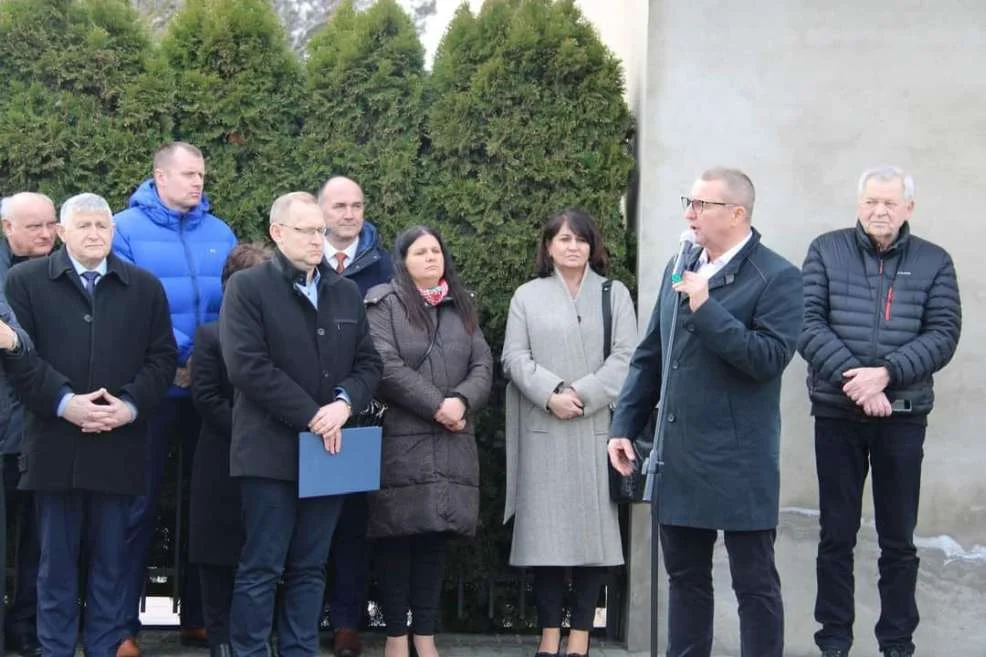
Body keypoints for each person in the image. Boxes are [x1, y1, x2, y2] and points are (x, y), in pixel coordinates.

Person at [608, 168, 803, 657]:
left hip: (741, 461)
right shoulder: (681, 263)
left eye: (701, 205)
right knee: (686, 580)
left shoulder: (778, 277)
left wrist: (707, 306)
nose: (689, 214)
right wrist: (623, 425)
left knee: (754, 584)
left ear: (737, 214)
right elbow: (651, 353)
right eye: (688, 202)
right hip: (681, 454)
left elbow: (768, 359)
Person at [2, 193, 176, 657]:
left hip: (119, 443)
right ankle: (54, 649)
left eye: (103, 225)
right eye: (84, 226)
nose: (95, 233)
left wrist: (130, 406)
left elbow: (162, 360)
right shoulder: (24, 281)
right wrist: (64, 402)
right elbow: (20, 359)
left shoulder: (143, 287)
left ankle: (104, 646)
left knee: (111, 563)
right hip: (54, 442)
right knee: (54, 563)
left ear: (113, 232)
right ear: (63, 232)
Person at [798, 166, 961, 657]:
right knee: (836, 537)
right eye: (871, 201)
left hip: (903, 416)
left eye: (890, 202)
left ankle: (896, 643)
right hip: (837, 415)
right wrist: (858, 381)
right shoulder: (825, 250)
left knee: (898, 541)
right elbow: (806, 324)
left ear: (908, 207)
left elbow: (943, 334)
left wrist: (885, 374)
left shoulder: (935, 262)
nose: (879, 211)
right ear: (858, 203)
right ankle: (834, 642)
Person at [220, 192, 382, 657]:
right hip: (269, 451)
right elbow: (247, 366)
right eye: (308, 231)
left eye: (321, 231)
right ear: (277, 233)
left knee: (312, 566)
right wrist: (313, 413)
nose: (318, 240)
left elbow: (369, 363)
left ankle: (300, 650)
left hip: (329, 450)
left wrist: (344, 404)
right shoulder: (248, 288)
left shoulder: (344, 290)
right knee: (262, 566)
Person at [113, 141, 237, 651]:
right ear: (159, 176)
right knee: (136, 506)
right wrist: (180, 358)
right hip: (152, 389)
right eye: (188, 174)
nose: (198, 183)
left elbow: (235, 307)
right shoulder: (123, 230)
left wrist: (201, 365)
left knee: (207, 504)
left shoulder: (220, 231)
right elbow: (127, 308)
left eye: (202, 175)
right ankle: (120, 628)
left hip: (209, 390)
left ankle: (200, 617)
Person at [502, 209, 636, 657]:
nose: (572, 246)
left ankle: (580, 634)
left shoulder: (613, 293)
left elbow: (626, 357)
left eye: (580, 239)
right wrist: (551, 393)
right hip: (544, 424)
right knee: (547, 540)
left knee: (593, 539)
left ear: (592, 245)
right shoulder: (527, 296)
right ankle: (548, 634)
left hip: (596, 425)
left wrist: (579, 394)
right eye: (563, 239)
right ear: (548, 246)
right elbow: (514, 358)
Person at [364, 226, 492, 657]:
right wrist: (439, 405)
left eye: (436, 250)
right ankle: (396, 635)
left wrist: (460, 401)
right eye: (420, 252)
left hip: (453, 437)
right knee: (398, 537)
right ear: (402, 260)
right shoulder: (384, 303)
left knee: (436, 539)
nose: (431, 258)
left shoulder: (462, 305)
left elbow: (483, 364)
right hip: (402, 438)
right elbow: (383, 364)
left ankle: (426, 635)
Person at [318, 175, 393, 657]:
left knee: (351, 520)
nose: (349, 213)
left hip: (361, 410)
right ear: (321, 211)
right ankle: (302, 619)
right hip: (303, 410)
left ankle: (347, 621)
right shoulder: (298, 260)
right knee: (304, 520)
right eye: (340, 205)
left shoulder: (384, 265)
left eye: (357, 205)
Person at [188, 243, 271, 657]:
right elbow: (204, 397)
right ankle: (219, 636)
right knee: (217, 551)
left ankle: (253, 636)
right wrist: (250, 431)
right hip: (221, 456)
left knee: (261, 551)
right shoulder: (210, 336)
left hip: (271, 458)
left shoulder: (280, 335)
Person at [0, 192, 56, 657]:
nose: (45, 234)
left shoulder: (63, 273)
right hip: (7, 428)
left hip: (42, 430)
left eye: (51, 224)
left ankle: (27, 629)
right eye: (34, 226)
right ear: (7, 227)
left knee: (41, 542)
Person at [0, 298, 33, 657]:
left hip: (20, 436)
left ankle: (22, 625)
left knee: (35, 538)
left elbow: (22, 342)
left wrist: (13, 341)